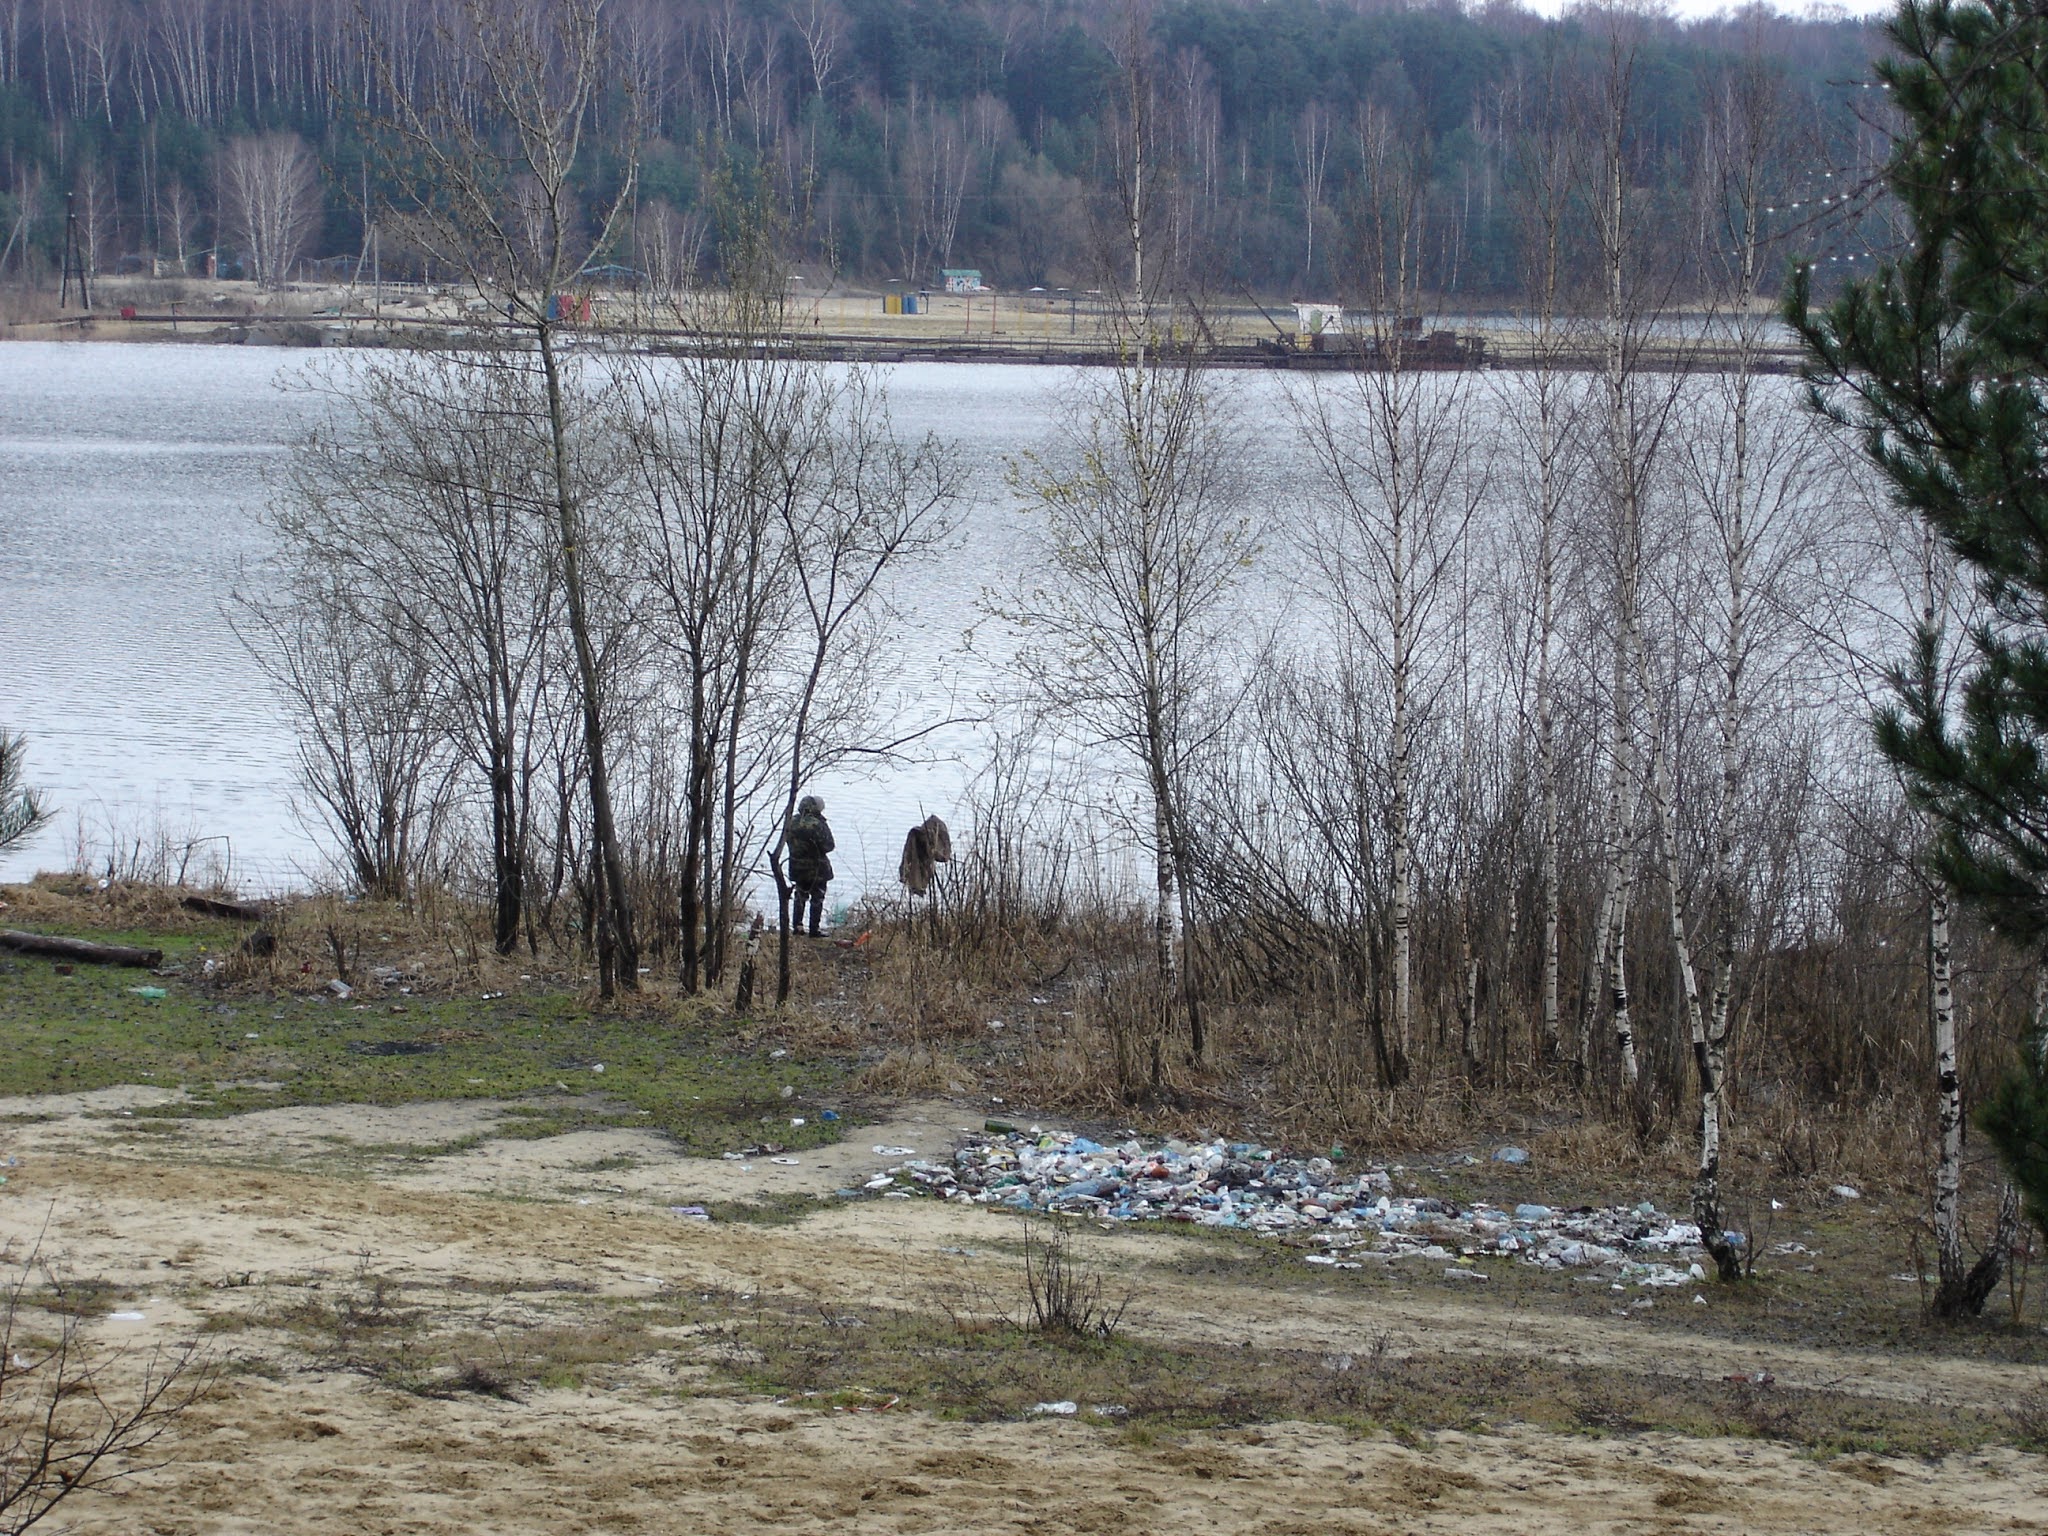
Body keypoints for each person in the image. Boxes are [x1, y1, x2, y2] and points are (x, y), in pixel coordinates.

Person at [785, 794, 836, 936]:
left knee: (800, 896)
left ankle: (797, 926)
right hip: (816, 868)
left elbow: (787, 840)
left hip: (796, 866)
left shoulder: (791, 821)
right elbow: (829, 845)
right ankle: (814, 929)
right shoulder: (817, 824)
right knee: (817, 898)